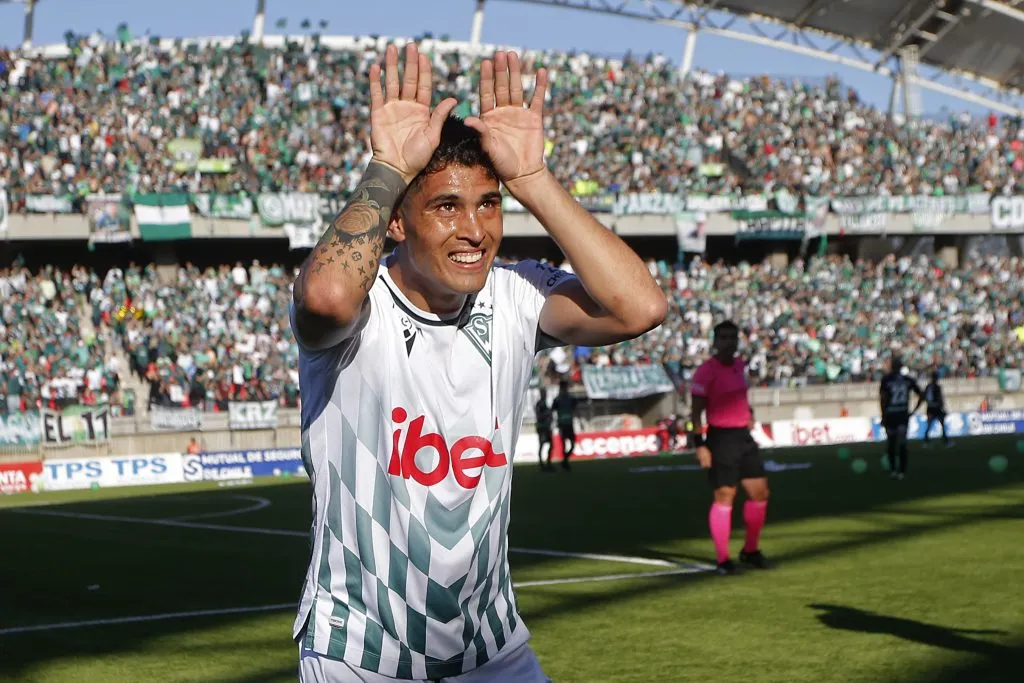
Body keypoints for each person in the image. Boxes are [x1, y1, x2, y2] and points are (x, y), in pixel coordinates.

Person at [290, 44, 666, 683]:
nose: (474, 229)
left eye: (488, 204)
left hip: (493, 649)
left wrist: (532, 179)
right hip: (363, 655)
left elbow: (641, 306)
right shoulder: (362, 302)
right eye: (446, 207)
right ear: (398, 224)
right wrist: (387, 168)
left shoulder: (516, 294)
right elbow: (322, 299)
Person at [689, 321, 772, 576]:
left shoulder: (739, 367)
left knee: (760, 493)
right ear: (715, 342)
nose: (729, 342)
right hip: (721, 438)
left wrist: (749, 414)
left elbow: (741, 397)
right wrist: (700, 445)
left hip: (743, 437)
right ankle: (723, 559)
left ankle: (750, 550)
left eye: (733, 337)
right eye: (723, 338)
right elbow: (695, 413)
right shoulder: (706, 371)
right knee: (725, 496)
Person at [879, 356, 925, 480]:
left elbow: (883, 399)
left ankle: (893, 470)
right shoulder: (908, 380)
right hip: (902, 414)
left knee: (891, 442)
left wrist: (883, 415)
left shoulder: (886, 380)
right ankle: (902, 471)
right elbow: (922, 394)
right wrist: (913, 411)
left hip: (891, 414)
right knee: (902, 442)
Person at [916, 370, 951, 448]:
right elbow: (940, 398)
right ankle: (946, 441)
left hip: (930, 407)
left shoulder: (928, 386)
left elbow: (923, 396)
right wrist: (942, 407)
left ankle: (926, 441)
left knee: (929, 425)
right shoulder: (937, 387)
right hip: (936, 408)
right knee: (941, 424)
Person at [551, 378, 577, 471]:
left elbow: (575, 406)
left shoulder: (570, 398)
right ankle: (565, 463)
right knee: (564, 445)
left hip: (569, 424)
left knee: (573, 444)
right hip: (562, 424)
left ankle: (565, 460)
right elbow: (553, 409)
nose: (564, 389)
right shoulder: (558, 399)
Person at [534, 387, 554, 470]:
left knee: (551, 445)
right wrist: (547, 414)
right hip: (542, 427)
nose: (545, 395)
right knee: (542, 445)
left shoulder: (545, 403)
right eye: (543, 393)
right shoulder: (539, 404)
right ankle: (542, 464)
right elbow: (539, 416)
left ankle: (548, 463)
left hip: (547, 427)